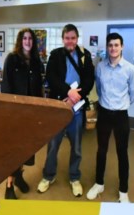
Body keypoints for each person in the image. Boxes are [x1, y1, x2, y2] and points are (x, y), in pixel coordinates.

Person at [37, 23, 95, 197]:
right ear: (63, 39)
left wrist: (75, 96)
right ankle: (48, 176)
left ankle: (74, 177)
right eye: (67, 38)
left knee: (76, 147)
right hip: (59, 107)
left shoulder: (85, 55)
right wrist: (67, 92)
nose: (70, 41)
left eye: (73, 38)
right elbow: (51, 77)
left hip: (76, 109)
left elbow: (89, 79)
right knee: (53, 145)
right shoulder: (55, 55)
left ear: (77, 39)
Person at [86, 32, 134, 203]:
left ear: (121, 47)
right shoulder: (100, 67)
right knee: (101, 151)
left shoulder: (129, 69)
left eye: (116, 45)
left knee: (122, 152)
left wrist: (120, 104)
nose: (113, 48)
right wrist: (107, 104)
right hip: (104, 114)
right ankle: (99, 183)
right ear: (107, 47)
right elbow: (99, 90)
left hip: (121, 116)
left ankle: (123, 191)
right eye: (110, 45)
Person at [0, 27, 45, 199]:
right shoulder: (12, 59)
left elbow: (38, 88)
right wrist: (11, 109)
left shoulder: (35, 61)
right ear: (20, 41)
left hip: (31, 113)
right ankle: (9, 186)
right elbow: (6, 86)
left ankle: (19, 176)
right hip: (15, 112)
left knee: (26, 150)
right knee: (14, 150)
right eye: (25, 38)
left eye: (30, 39)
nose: (28, 41)